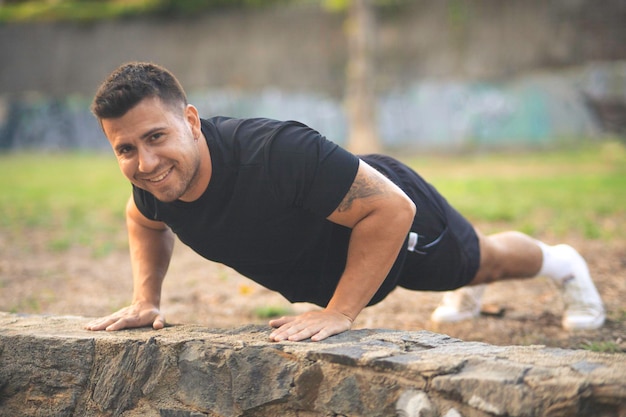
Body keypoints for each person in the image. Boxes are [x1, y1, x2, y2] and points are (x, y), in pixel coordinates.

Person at [84, 62, 605, 342]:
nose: (145, 163)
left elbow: (391, 210)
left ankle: (563, 264)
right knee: (465, 274)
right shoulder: (156, 185)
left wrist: (339, 312)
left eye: (156, 137)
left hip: (383, 214)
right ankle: (464, 287)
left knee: (480, 264)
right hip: (347, 237)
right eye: (125, 149)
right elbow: (143, 221)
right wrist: (146, 299)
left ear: (191, 121)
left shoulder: (276, 151)